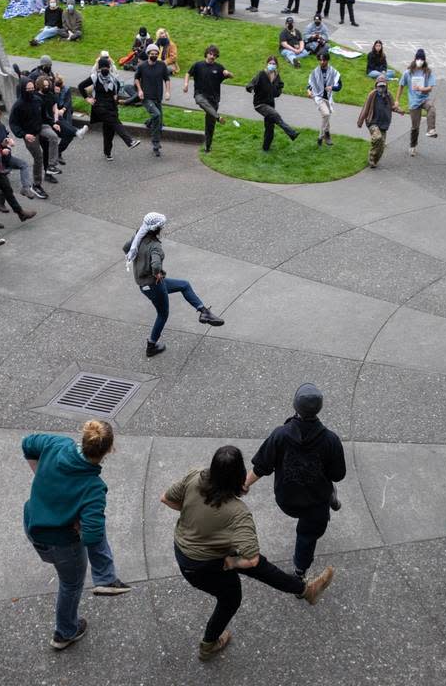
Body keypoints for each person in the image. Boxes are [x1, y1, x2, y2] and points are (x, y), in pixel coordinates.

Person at [161, 445, 336, 661]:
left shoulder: (195, 477)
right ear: (239, 475)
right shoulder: (238, 513)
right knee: (231, 598)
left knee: (259, 565)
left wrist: (192, 516)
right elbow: (251, 560)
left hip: (185, 548)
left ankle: (304, 590)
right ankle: (208, 645)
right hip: (202, 565)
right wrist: (231, 563)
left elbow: (166, 498)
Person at [22, 421, 134, 650]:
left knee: (70, 568)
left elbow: (27, 443)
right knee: (71, 584)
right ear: (109, 450)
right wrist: (82, 527)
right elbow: (92, 536)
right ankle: (65, 632)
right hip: (61, 544)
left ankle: (106, 578)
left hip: (33, 525)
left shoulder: (56, 444)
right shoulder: (93, 487)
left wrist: (40, 475)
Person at [244, 383, 345, 578]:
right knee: (307, 536)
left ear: (295, 407)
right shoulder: (331, 440)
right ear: (320, 408)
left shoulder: (280, 434)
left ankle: (329, 495)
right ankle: (299, 571)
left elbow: (261, 467)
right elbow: (337, 475)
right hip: (316, 504)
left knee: (311, 518)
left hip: (287, 499)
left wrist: (245, 484)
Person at [122, 212, 224, 357]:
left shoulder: (139, 236)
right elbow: (156, 264)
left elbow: (126, 248)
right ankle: (151, 346)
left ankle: (204, 313)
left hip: (144, 284)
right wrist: (157, 273)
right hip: (154, 285)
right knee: (163, 314)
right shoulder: (155, 246)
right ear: (157, 228)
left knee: (184, 285)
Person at [77, 53, 140, 161]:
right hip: (99, 106)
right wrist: (88, 98)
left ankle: (107, 153)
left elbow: (117, 89)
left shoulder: (114, 79)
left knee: (109, 131)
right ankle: (129, 141)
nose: (105, 69)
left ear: (109, 67)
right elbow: (81, 86)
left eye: (107, 67)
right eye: (103, 67)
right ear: (99, 68)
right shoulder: (94, 77)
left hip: (111, 106)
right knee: (115, 122)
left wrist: (115, 97)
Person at [10, 76, 61, 183]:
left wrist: (53, 123)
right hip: (29, 133)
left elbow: (44, 115)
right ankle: (37, 184)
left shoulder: (38, 100)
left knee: (53, 136)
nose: (31, 91)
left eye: (32, 89)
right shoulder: (18, 106)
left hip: (40, 127)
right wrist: (24, 135)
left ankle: (52, 166)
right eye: (28, 89)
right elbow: (13, 124)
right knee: (38, 158)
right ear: (23, 90)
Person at [184, 45, 233, 153]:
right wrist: (186, 84)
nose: (212, 56)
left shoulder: (219, 67)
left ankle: (208, 146)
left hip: (214, 99)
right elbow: (188, 73)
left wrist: (228, 73)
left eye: (215, 55)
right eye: (211, 54)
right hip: (200, 94)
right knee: (200, 101)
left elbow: (232, 76)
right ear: (206, 53)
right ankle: (218, 117)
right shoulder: (198, 65)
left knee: (210, 125)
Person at [246, 56, 299, 151]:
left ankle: (265, 148)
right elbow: (249, 85)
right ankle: (291, 133)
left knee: (270, 127)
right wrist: (252, 89)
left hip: (270, 103)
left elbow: (280, 86)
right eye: (270, 63)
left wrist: (278, 92)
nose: (272, 65)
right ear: (267, 64)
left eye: (274, 64)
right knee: (275, 115)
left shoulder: (276, 75)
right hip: (260, 104)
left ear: (276, 65)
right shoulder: (261, 74)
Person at [396, 49, 436, 158]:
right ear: (415, 59)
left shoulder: (428, 72)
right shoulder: (408, 72)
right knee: (415, 126)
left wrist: (423, 89)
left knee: (431, 107)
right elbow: (401, 85)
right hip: (414, 102)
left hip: (424, 98)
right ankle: (413, 145)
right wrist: (397, 100)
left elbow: (430, 88)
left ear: (424, 60)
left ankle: (431, 129)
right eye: (418, 59)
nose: (420, 61)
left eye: (422, 59)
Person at [135, 44, 172, 158]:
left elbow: (167, 79)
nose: (154, 56)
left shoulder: (162, 65)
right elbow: (136, 78)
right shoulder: (142, 66)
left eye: (156, 54)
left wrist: (167, 92)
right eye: (152, 54)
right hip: (146, 97)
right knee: (156, 115)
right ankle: (155, 144)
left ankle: (149, 123)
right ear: (148, 54)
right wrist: (140, 90)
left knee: (159, 122)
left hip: (158, 97)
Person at [357, 75, 396, 168]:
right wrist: (360, 121)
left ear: (386, 86)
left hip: (384, 124)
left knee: (381, 147)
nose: (381, 88)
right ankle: (371, 158)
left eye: (383, 86)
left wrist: (400, 110)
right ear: (376, 86)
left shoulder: (389, 95)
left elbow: (393, 107)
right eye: (379, 86)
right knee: (377, 137)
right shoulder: (372, 95)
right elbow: (365, 108)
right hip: (372, 122)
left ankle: (374, 160)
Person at [306, 51, 341, 148]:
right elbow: (309, 85)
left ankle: (327, 134)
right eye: (320, 60)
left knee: (326, 117)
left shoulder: (333, 72)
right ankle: (321, 137)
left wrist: (332, 88)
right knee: (326, 114)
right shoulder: (315, 72)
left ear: (327, 60)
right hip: (318, 97)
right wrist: (309, 91)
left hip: (328, 98)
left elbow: (339, 86)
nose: (321, 62)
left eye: (324, 60)